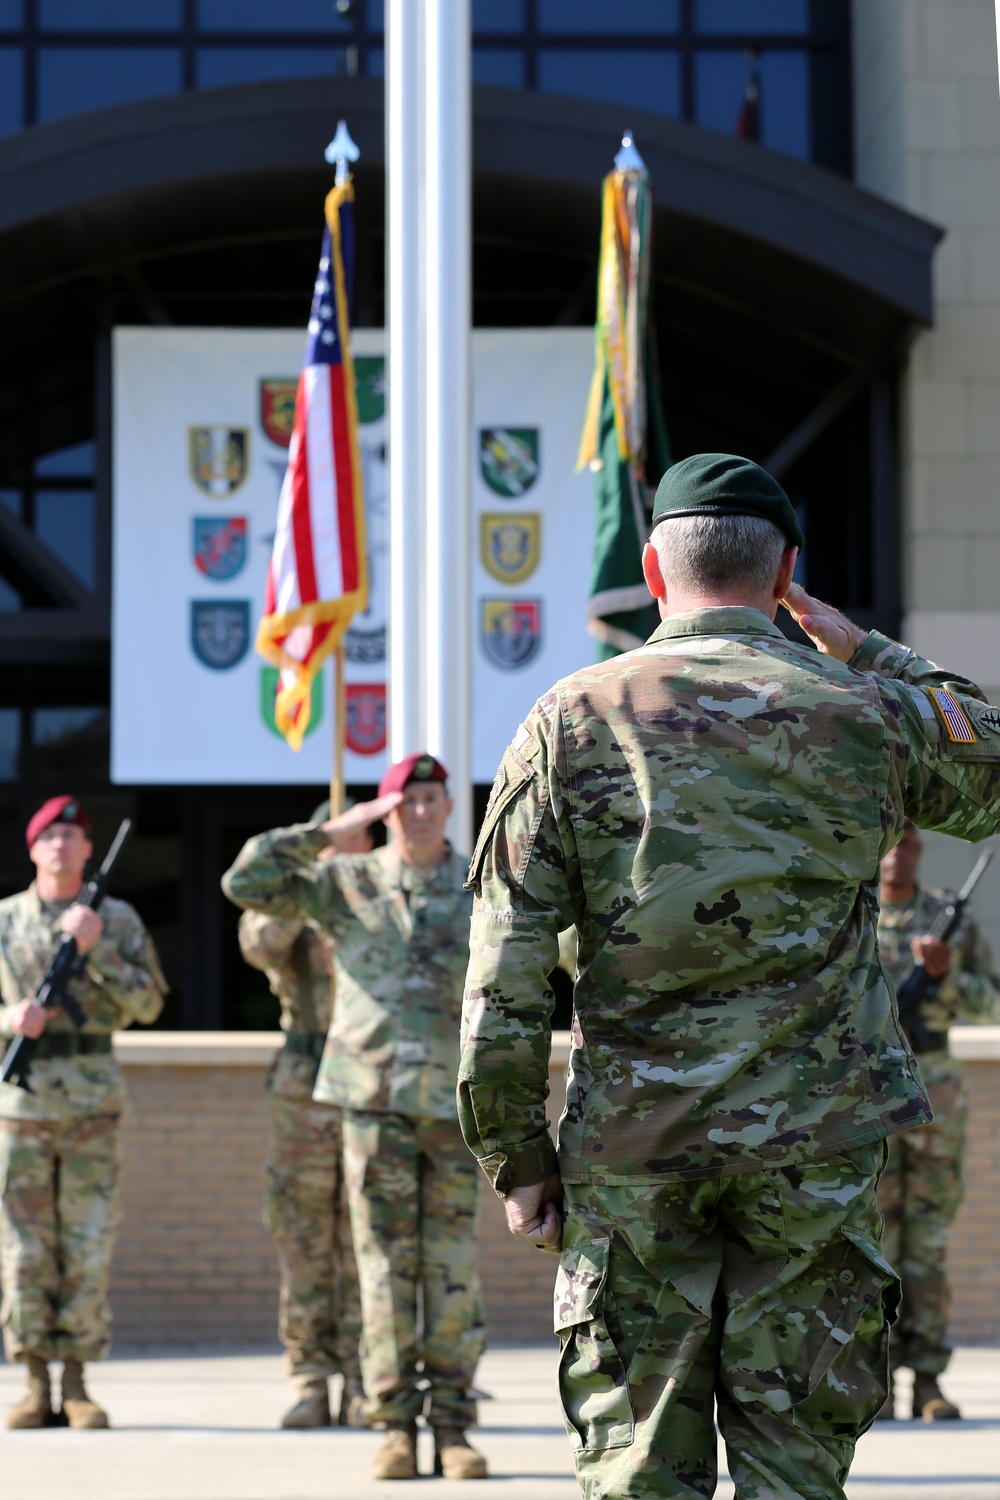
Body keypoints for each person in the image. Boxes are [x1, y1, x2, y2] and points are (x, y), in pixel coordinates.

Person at [459, 452, 1000, 1500]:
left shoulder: (569, 722)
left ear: (654, 576)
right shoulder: (860, 707)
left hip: (634, 1150)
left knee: (638, 1474)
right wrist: (871, 649)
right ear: (786, 571)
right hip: (813, 1147)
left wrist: (514, 1155)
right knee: (795, 1471)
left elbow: (504, 972)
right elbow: (990, 768)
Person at [223, 755, 487, 1482]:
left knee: (452, 1269)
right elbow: (244, 883)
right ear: (386, 811)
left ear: (447, 807)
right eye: (407, 800)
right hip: (370, 1103)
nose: (423, 812)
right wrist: (328, 833)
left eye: (433, 798)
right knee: (382, 1272)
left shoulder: (477, 883)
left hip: (450, 1105)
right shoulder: (346, 881)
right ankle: (395, 1425)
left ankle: (456, 1427)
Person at [0, 796, 166, 1430]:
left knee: (88, 1243)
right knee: (24, 1248)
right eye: (50, 836)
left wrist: (96, 953)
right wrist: (11, 1017)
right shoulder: (8, 920)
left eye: (73, 835)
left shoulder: (115, 919)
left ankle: (76, 1383)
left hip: (93, 1104)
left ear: (88, 851)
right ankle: (32, 1380)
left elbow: (149, 1004)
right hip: (23, 1106)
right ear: (32, 848)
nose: (62, 846)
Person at [237, 798, 373, 1430]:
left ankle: (367, 1378)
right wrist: (309, 892)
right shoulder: (294, 899)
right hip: (305, 1082)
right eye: (342, 838)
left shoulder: (381, 896)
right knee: (306, 1235)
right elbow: (259, 944)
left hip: (370, 1077)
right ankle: (312, 1378)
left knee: (367, 1235)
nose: (353, 847)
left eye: (360, 837)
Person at [875, 821, 1000, 1422]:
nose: (900, 855)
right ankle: (870, 1379)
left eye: (910, 843)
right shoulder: (847, 917)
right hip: (866, 1098)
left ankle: (926, 1381)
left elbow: (992, 1002)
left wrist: (946, 973)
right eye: (891, 843)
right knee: (866, 1242)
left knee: (926, 1242)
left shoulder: (950, 920)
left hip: (934, 1100)